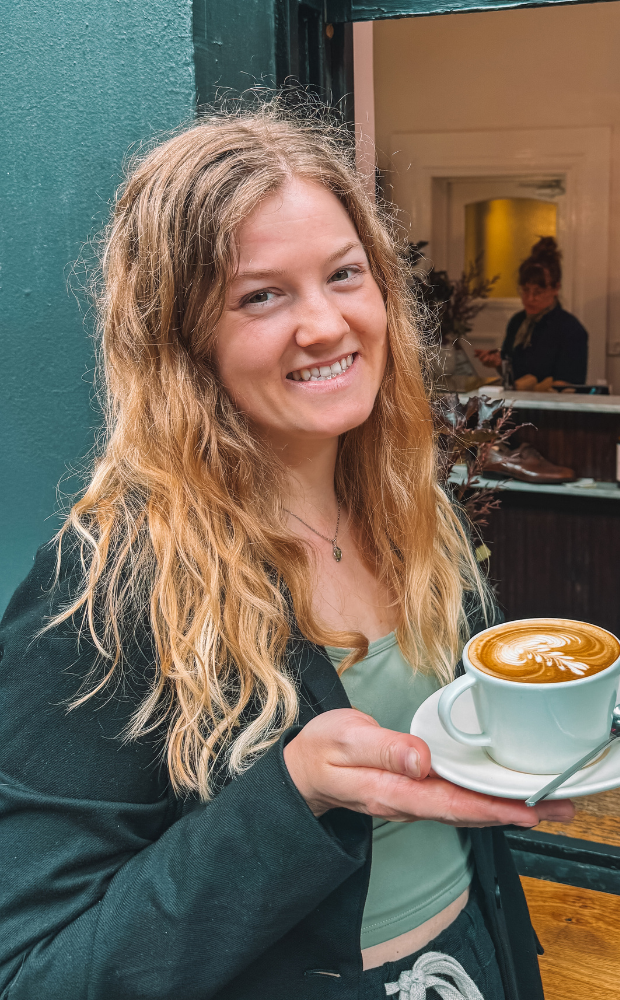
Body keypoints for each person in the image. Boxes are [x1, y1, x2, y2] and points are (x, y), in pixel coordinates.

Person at [0, 105, 573, 1000]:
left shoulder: (414, 510)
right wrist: (294, 793)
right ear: (181, 338)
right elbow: (38, 973)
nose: (325, 325)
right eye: (261, 296)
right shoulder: (105, 588)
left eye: (344, 274)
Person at [475, 237, 588, 387]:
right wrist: (499, 362)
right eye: (525, 290)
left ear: (556, 288)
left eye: (538, 292)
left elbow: (568, 385)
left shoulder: (570, 329)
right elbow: (512, 375)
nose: (530, 298)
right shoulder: (518, 321)